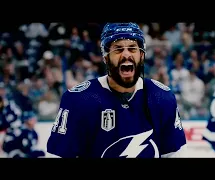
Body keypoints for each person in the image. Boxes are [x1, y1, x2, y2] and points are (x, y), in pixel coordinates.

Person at [47, 23, 187, 158]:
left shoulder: (161, 97)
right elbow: (59, 155)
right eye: (118, 49)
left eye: (132, 48)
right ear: (106, 57)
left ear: (142, 55)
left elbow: (174, 153)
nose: (126, 55)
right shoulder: (78, 100)